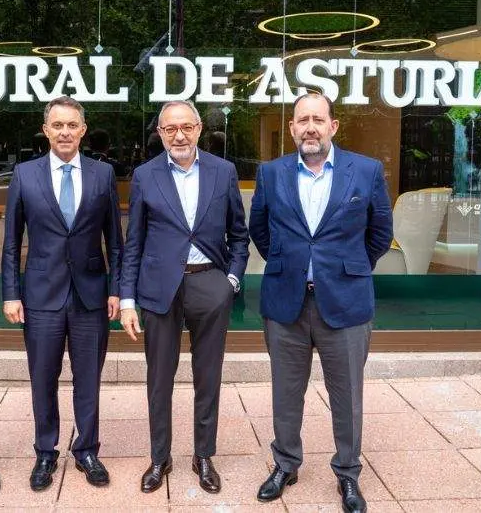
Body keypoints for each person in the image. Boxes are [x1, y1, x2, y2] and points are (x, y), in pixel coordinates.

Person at [248, 93, 393, 512]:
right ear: (292, 129)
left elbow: (380, 233)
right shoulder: (271, 173)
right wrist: (288, 264)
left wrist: (346, 269)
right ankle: (286, 464)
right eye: (302, 120)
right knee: (285, 392)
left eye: (318, 119)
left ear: (333, 126)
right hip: (285, 304)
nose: (310, 127)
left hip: (345, 304)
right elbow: (260, 228)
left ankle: (348, 473)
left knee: (347, 395)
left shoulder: (364, 171)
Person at [120, 100, 250, 495]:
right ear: (159, 133)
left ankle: (203, 455)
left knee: (207, 378)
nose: (179, 135)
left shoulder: (223, 171)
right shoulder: (145, 175)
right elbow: (134, 243)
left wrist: (231, 281)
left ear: (198, 129)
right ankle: (160, 457)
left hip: (209, 284)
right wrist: (127, 299)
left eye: (186, 127)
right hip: (160, 290)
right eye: (170, 128)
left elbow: (239, 236)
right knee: (159, 380)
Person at [1, 96, 123, 491]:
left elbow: (115, 242)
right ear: (46, 129)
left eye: (72, 125)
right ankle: (45, 451)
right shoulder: (25, 174)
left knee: (88, 378)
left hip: (91, 295)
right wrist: (11, 293)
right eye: (58, 125)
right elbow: (11, 242)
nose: (65, 132)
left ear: (83, 130)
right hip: (40, 296)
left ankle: (87, 449)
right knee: (43, 378)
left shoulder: (103, 176)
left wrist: (117, 289)